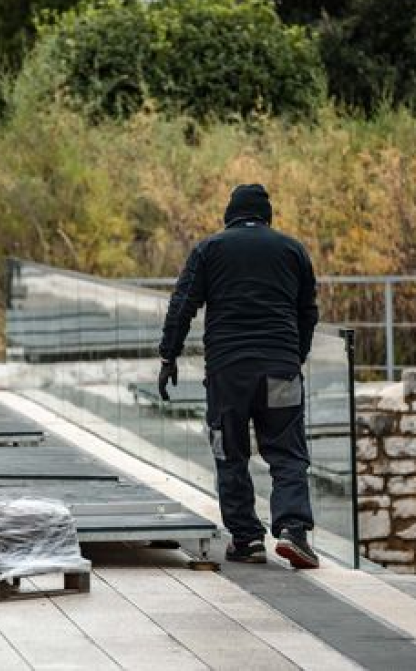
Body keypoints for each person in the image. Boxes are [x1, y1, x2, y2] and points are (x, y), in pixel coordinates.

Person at [158, 183, 320, 569]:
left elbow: (183, 305)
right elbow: (307, 312)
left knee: (229, 450)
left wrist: (169, 356)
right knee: (287, 451)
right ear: (268, 216)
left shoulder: (210, 249)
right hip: (280, 369)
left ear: (229, 214)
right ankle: (293, 530)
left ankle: (246, 539)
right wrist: (293, 358)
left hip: (228, 373)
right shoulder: (292, 250)